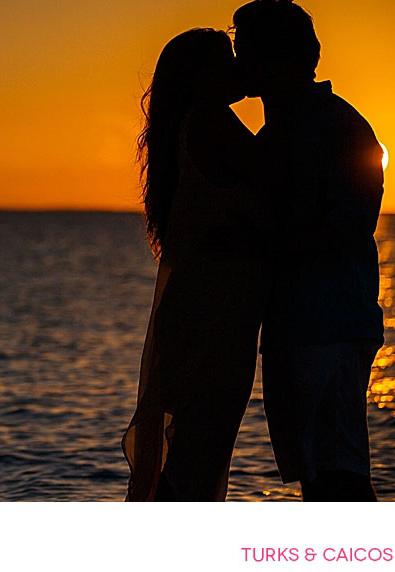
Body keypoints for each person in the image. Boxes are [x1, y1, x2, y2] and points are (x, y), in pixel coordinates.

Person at [230, 0, 385, 501]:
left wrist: (257, 246)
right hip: (301, 328)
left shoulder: (334, 127)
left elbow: (347, 226)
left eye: (244, 49)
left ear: (278, 58)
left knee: (338, 481)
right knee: (320, 480)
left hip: (329, 327)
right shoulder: (283, 130)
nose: (237, 62)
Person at [121, 28, 268, 501]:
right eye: (223, 60)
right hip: (213, 316)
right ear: (199, 77)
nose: (235, 69)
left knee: (193, 453)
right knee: (198, 460)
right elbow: (281, 176)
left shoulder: (190, 126)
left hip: (203, 309)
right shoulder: (209, 122)